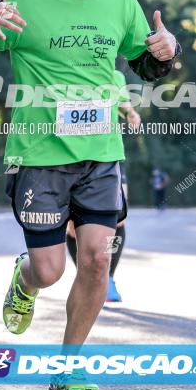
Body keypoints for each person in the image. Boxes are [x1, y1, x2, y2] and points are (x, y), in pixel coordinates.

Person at [0, 0, 180, 390]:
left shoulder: (122, 2)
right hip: (39, 156)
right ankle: (25, 276)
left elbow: (145, 65)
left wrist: (166, 52)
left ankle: (69, 364)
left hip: (101, 151)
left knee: (99, 258)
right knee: (50, 271)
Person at [66, 68, 141, 303]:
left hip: (110, 157)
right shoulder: (67, 72)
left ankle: (107, 278)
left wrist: (131, 114)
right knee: (71, 226)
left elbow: (125, 106)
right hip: (72, 156)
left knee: (118, 219)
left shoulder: (116, 77)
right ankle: (85, 274)